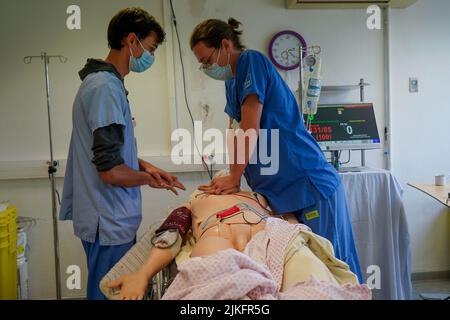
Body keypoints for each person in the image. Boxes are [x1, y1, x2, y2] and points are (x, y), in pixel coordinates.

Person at [189, 18, 363, 282]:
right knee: (302, 271)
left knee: (332, 266)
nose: (205, 67)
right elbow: (236, 130)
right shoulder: (231, 82)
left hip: (307, 184)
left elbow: (250, 125)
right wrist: (231, 173)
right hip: (281, 191)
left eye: (206, 59)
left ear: (225, 44)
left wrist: (234, 178)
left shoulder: (251, 62)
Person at [59, 8, 185, 300]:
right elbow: (110, 170)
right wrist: (147, 179)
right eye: (150, 48)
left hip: (109, 216)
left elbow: (112, 152)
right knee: (109, 292)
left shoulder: (107, 85)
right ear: (131, 40)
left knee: (111, 290)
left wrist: (147, 167)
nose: (150, 56)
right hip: (108, 219)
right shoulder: (104, 88)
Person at [105, 188, 366, 300]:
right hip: (217, 234)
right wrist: (142, 274)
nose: (219, 184)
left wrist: (292, 224)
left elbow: (291, 219)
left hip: (272, 234)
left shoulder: (259, 195)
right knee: (212, 289)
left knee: (317, 283)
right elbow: (170, 235)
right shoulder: (196, 198)